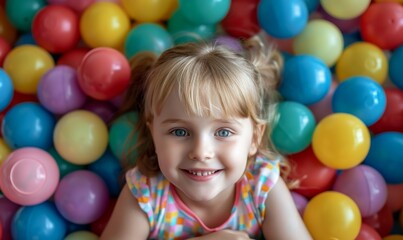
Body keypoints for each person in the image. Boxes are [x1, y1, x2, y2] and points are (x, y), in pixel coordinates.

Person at [101, 35, 312, 240]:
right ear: (153, 134)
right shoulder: (146, 193)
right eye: (180, 132)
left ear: (254, 138)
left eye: (223, 132)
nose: (201, 152)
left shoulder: (262, 185)